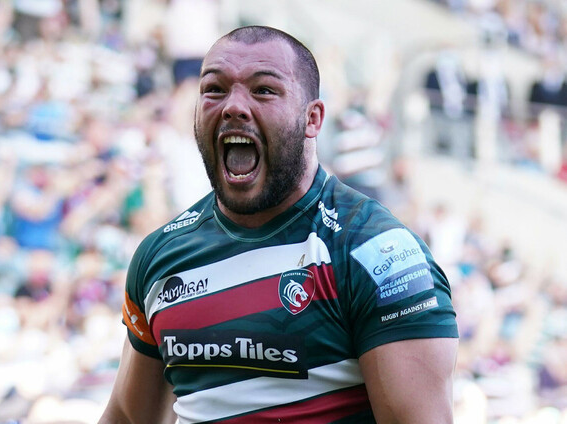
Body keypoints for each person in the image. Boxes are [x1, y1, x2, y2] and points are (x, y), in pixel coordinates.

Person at [99, 26, 459, 424]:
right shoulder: (160, 256)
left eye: (264, 90)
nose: (234, 106)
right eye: (214, 89)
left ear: (312, 119)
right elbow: (129, 417)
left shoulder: (376, 253)